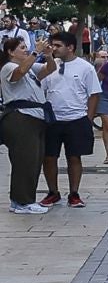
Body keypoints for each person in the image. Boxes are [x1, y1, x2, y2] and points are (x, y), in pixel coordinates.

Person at [3, 36, 55, 214]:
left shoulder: (31, 67)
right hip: (20, 116)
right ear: (10, 52)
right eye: (22, 48)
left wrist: (47, 55)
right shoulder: (8, 67)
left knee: (34, 159)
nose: (25, 50)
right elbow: (18, 74)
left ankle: (25, 199)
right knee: (24, 160)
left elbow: (50, 69)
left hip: (36, 116)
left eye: (26, 47)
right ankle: (22, 201)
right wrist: (35, 52)